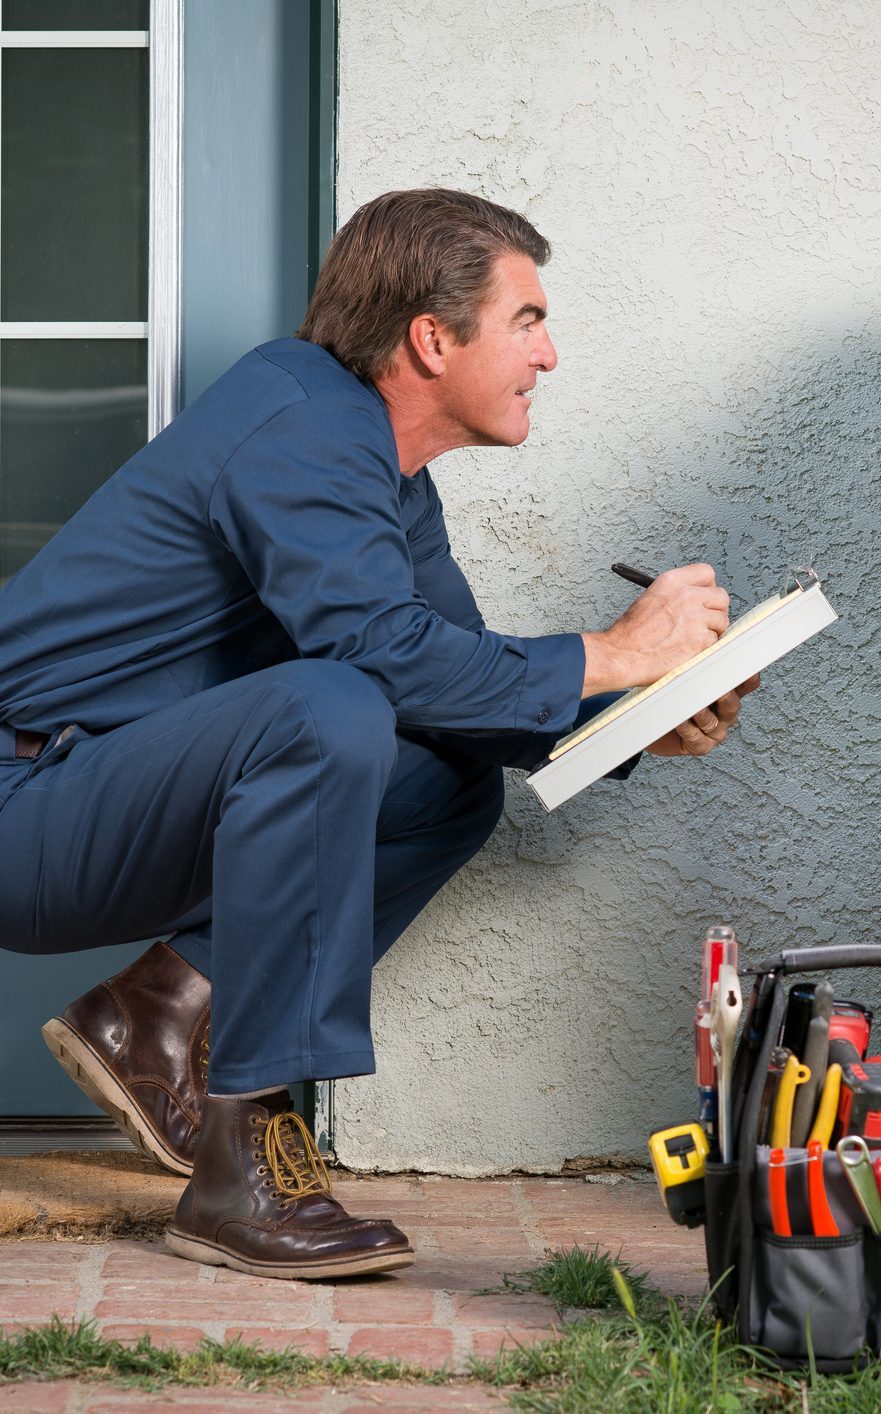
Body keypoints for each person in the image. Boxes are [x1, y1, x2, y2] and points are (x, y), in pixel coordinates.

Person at [0, 189, 758, 1281]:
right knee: (334, 703)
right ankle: (239, 1163)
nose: (548, 356)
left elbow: (456, 686)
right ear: (431, 338)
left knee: (448, 780)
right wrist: (618, 648)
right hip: (26, 805)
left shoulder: (386, 476)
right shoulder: (299, 416)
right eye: (527, 320)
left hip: (99, 794)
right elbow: (378, 655)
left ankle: (154, 1016)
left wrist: (640, 718)